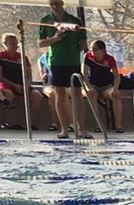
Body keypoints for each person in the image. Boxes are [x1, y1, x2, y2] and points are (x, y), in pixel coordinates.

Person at [39, 0, 89, 139]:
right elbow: (41, 43)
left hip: (73, 61)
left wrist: (76, 49)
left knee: (77, 95)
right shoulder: (46, 21)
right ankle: (64, 129)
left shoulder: (75, 20)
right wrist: (55, 38)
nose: (55, 6)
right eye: (52, 4)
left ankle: (81, 128)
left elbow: (83, 42)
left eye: (57, 3)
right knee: (60, 95)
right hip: (56, 62)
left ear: (62, 3)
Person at [0, 33, 45, 130]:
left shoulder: (23, 57)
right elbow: (0, 77)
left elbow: (29, 74)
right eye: (12, 44)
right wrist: (14, 85)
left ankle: (29, 123)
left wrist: (27, 84)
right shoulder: (0, 57)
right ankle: (7, 122)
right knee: (8, 94)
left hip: (22, 84)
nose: (15, 46)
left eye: (16, 44)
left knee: (37, 96)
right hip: (7, 83)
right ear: (5, 44)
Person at [82, 40, 124, 134]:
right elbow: (84, 74)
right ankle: (98, 125)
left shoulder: (109, 59)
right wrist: (88, 87)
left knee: (116, 95)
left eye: (95, 49)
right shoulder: (88, 57)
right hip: (92, 86)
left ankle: (118, 126)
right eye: (91, 49)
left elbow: (116, 76)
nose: (93, 51)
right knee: (91, 94)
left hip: (106, 87)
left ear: (103, 51)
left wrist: (115, 88)